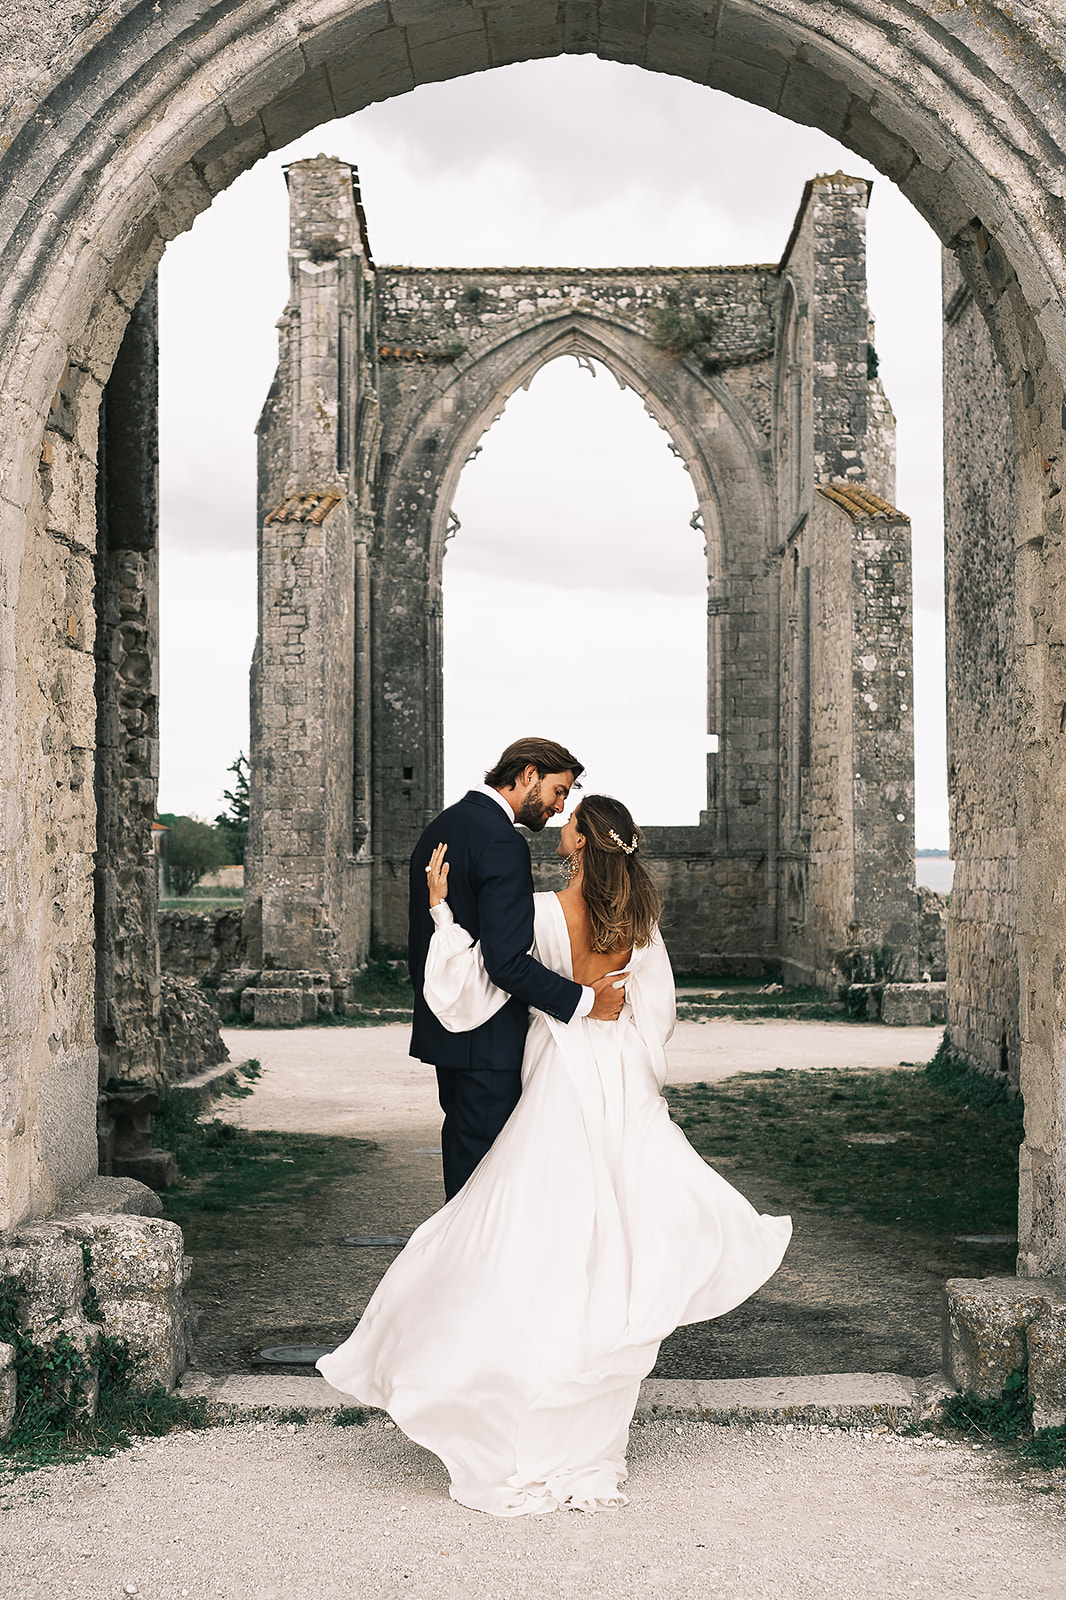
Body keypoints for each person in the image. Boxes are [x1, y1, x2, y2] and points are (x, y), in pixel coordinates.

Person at [318, 794, 792, 1517]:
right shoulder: (640, 919)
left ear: (576, 843)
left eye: (570, 821)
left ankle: (506, 1396)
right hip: (621, 1075)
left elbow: (471, 988)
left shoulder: (543, 913)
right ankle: (586, 1419)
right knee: (616, 1238)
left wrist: (444, 914)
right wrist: (631, 1051)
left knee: (532, 1227)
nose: (560, 822)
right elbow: (657, 1013)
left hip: (559, 1070)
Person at [407, 736, 627, 1200]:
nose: (559, 805)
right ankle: (467, 1269)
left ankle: (463, 1265)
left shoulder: (442, 827)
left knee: (467, 1172)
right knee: (488, 1190)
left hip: (450, 1029)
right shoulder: (502, 842)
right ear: (528, 774)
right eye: (559, 790)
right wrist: (587, 1000)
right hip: (488, 1041)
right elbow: (506, 963)